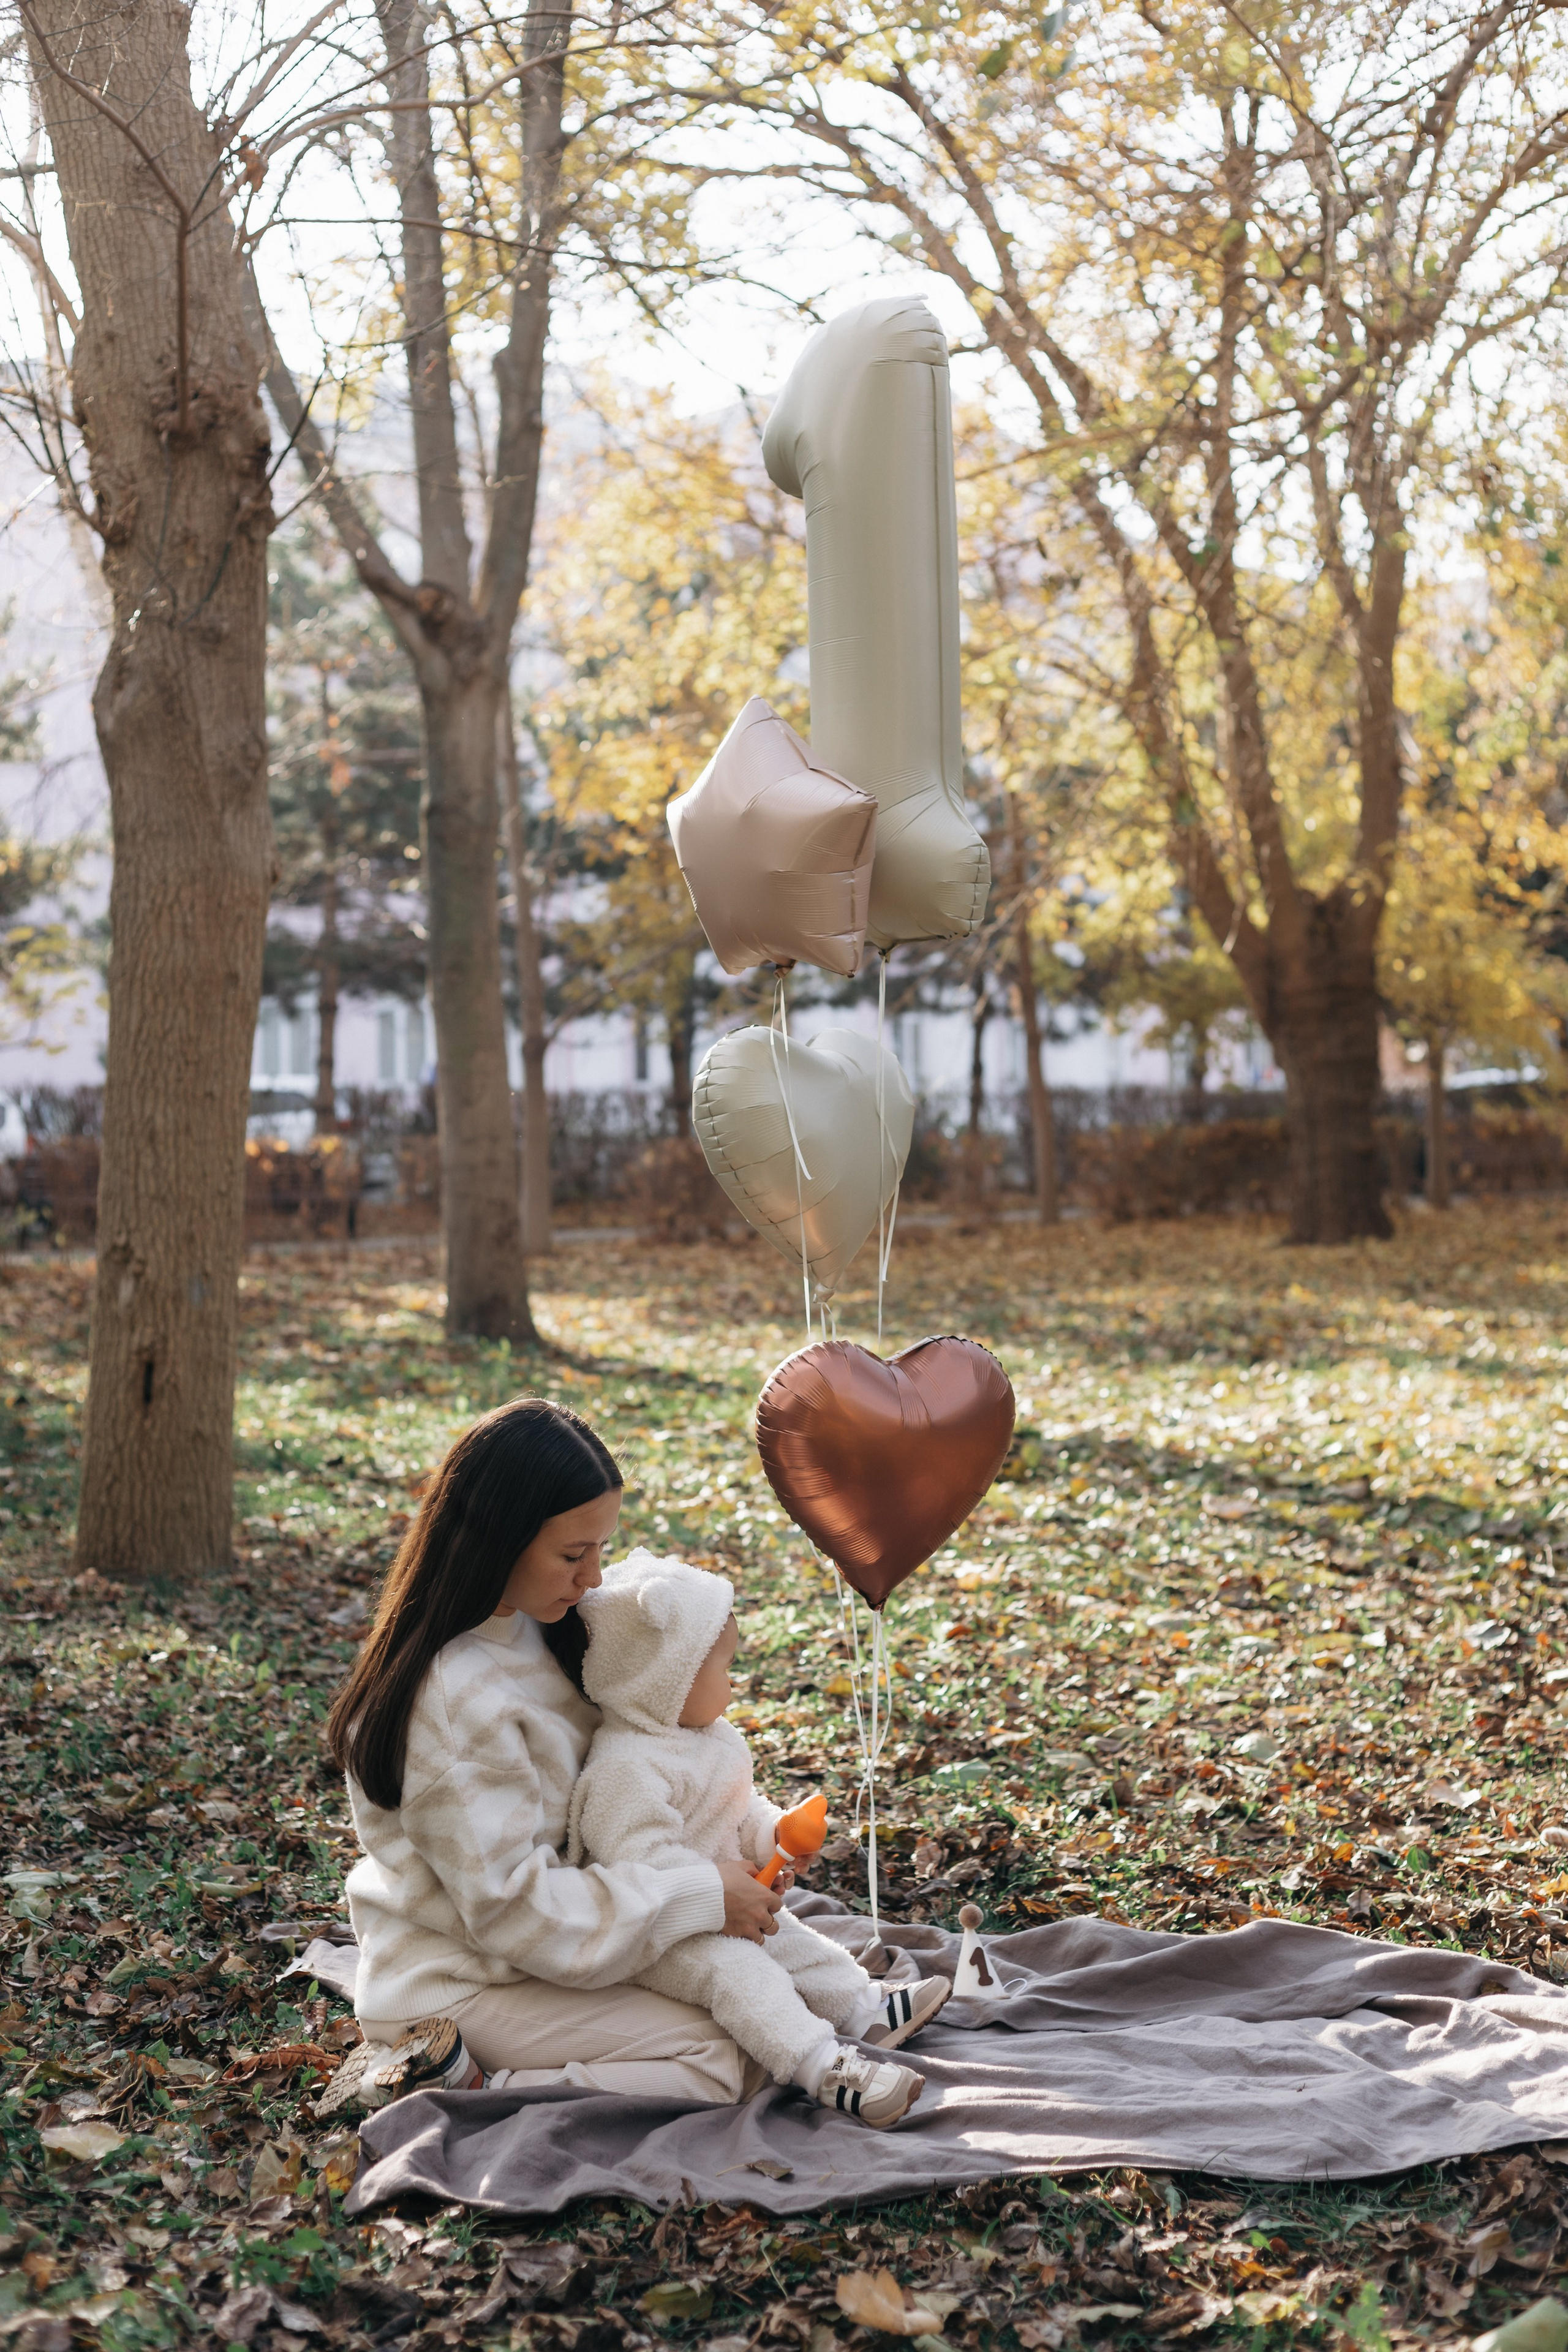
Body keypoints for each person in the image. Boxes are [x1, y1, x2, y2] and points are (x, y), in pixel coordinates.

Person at [322, 1396, 794, 2110]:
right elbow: (517, 1910)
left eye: (601, 1548)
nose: (596, 1578)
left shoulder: (544, 1621)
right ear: (496, 1541)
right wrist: (696, 1895)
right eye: (574, 1554)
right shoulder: (451, 1703)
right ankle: (463, 2085)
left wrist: (742, 1835)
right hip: (465, 1979)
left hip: (565, 1940)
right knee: (731, 2051)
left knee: (777, 2000)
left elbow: (636, 1756)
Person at [568, 1551, 950, 2127]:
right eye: (722, 1669)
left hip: (719, 1900)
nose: (734, 1682)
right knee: (740, 1971)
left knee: (790, 1936)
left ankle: (863, 2006)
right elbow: (639, 1861)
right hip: (657, 1932)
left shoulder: (708, 1738)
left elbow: (737, 1806)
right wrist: (713, 1889)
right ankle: (824, 2067)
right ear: (664, 1681)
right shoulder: (624, 1769)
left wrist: (772, 1833)